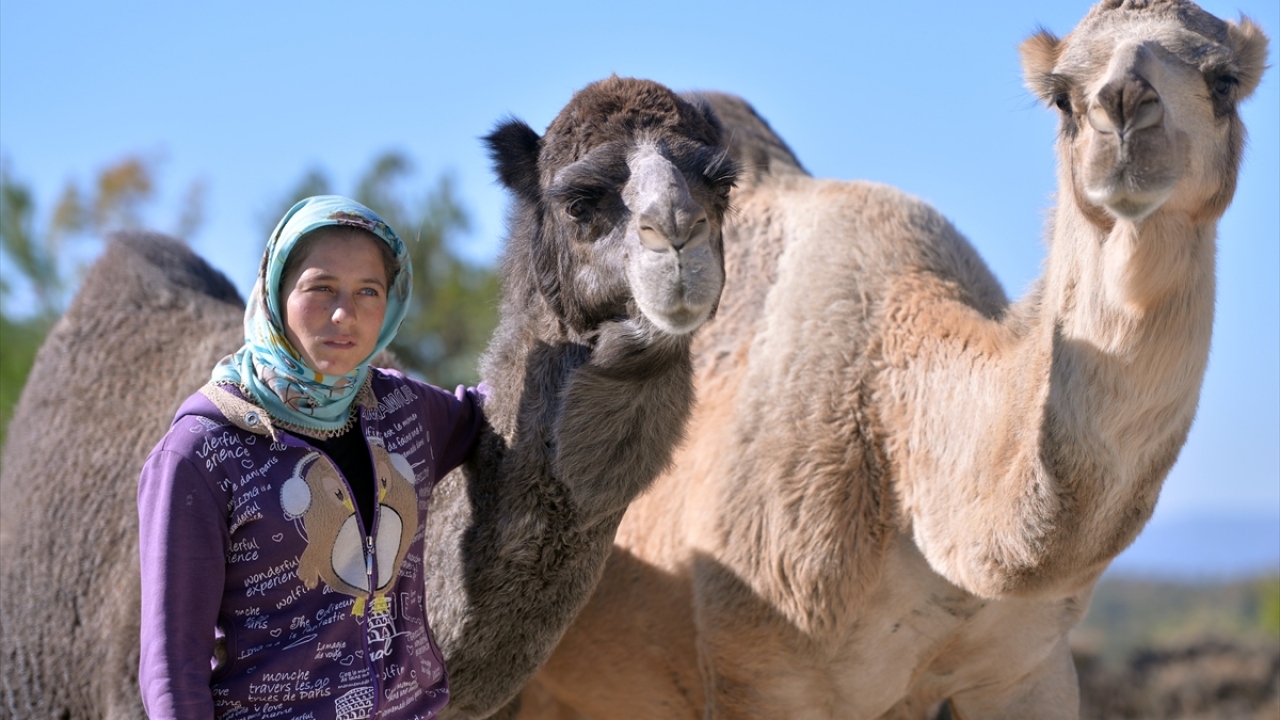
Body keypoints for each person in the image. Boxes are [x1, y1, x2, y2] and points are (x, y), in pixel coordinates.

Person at [137, 195, 484, 719]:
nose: (344, 313)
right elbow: (172, 666)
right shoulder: (202, 452)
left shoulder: (406, 411)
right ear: (277, 290)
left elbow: (503, 410)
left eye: (368, 291)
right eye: (320, 288)